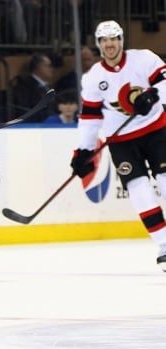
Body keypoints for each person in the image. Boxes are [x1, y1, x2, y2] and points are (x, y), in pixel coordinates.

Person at [69, 20, 166, 272]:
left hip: (157, 131)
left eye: (114, 39)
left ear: (121, 40)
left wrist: (153, 95)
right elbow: (90, 118)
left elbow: (165, 82)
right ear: (99, 45)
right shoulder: (94, 78)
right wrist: (83, 151)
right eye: (104, 40)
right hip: (121, 142)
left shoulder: (144, 59)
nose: (109, 44)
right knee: (139, 189)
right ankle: (164, 245)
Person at [11, 52, 56, 122]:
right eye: (48, 66)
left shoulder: (49, 86)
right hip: (34, 126)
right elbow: (25, 109)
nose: (51, 69)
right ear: (38, 67)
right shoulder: (25, 85)